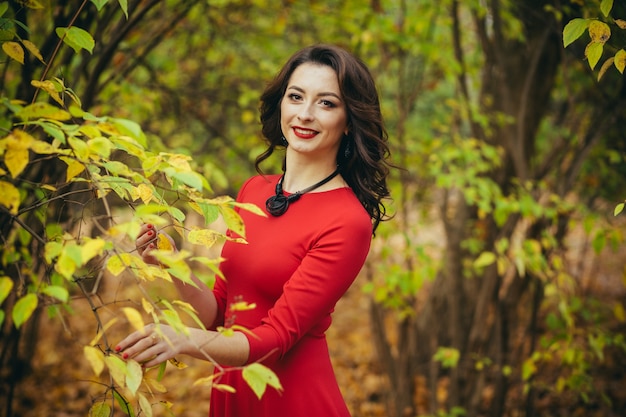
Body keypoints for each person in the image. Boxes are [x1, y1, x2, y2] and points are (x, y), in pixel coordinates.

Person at [116, 44, 392, 416]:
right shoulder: (253, 191)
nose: (305, 114)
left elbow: (275, 339)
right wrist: (170, 260)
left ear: (348, 121)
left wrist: (182, 340)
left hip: (293, 401)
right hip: (232, 393)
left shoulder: (347, 220)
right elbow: (218, 315)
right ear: (282, 103)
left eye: (326, 103)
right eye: (296, 97)